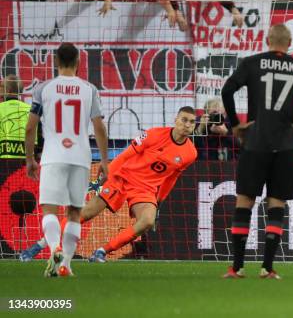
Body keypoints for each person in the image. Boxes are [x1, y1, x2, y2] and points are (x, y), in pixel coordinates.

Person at [221, 24, 293, 279]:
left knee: (244, 202)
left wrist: (236, 124)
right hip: (285, 145)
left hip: (255, 143)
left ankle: (236, 267)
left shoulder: (251, 63)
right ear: (289, 42)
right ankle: (267, 268)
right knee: (276, 204)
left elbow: (227, 90)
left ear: (268, 39)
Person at [22, 106, 198, 264]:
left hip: (145, 189)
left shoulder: (190, 153)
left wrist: (158, 201)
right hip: (123, 177)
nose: (187, 125)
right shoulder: (154, 134)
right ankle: (40, 245)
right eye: (184, 120)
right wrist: (107, 174)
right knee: (87, 213)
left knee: (147, 221)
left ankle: (101, 252)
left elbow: (171, 179)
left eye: (191, 122)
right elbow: (125, 156)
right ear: (176, 119)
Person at [25, 42, 109, 277]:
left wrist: (30, 159)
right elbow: (99, 128)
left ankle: (54, 248)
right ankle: (66, 265)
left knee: (49, 210)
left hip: (53, 156)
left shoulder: (44, 88)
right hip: (81, 158)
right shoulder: (89, 89)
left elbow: (31, 128)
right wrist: (104, 160)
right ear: (79, 63)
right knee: (74, 214)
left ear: (55, 62)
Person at [0, 75, 34, 159]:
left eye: (1, 86)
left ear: (8, 90)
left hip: (3, 161)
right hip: (26, 162)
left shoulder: (1, 108)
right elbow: (40, 138)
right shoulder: (31, 110)